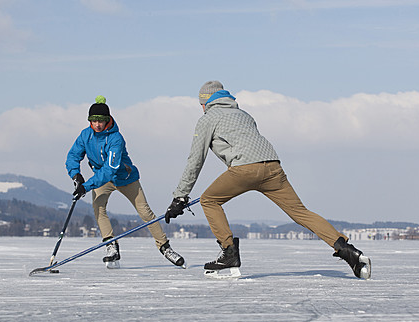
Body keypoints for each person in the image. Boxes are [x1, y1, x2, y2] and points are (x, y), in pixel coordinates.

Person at [164, 81, 371, 279]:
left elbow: (195, 160)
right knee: (300, 212)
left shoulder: (208, 119)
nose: (201, 108)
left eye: (201, 104)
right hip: (273, 166)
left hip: (245, 169)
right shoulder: (244, 115)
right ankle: (347, 250)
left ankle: (229, 253)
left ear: (206, 102)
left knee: (209, 200)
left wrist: (179, 197)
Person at [66, 95, 185, 269]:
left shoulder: (116, 139)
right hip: (101, 179)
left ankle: (164, 247)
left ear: (108, 120)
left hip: (124, 178)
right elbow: (73, 156)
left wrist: (87, 185)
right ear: (89, 121)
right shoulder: (86, 135)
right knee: (98, 209)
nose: (97, 125)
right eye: (93, 120)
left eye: (101, 121)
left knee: (145, 212)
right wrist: (76, 176)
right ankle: (111, 245)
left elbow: (110, 169)